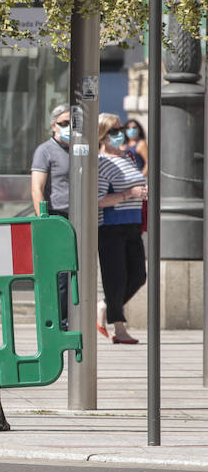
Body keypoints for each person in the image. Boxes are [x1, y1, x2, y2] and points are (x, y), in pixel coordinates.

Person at [96, 113, 148, 345]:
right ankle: (119, 328)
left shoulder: (128, 156)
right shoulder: (100, 162)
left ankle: (105, 306)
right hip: (111, 226)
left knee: (138, 275)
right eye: (114, 131)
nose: (120, 134)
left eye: (121, 130)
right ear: (102, 136)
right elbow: (98, 199)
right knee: (116, 278)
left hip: (133, 223)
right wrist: (129, 194)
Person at [30, 103, 71, 330]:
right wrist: (43, 218)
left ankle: (71, 317)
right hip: (56, 216)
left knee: (74, 269)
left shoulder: (79, 149)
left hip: (77, 216)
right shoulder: (45, 151)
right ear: (53, 125)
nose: (68, 127)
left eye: (72, 123)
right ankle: (59, 321)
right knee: (60, 273)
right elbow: (37, 187)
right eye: (64, 123)